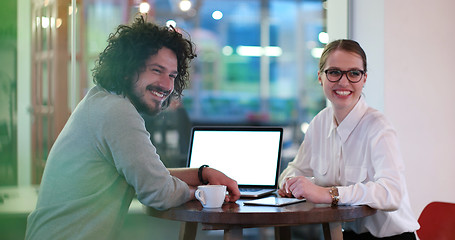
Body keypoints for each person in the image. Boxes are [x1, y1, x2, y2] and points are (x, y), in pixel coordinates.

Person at [25, 17, 240, 240]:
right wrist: (206, 193)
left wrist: (201, 174)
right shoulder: (116, 111)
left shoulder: (101, 99)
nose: (167, 85)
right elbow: (159, 192)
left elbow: (148, 175)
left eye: (172, 76)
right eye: (157, 70)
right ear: (127, 69)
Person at [278, 39, 419, 239]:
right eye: (334, 72)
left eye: (354, 73)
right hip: (345, 234)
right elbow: (295, 170)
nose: (344, 82)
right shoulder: (319, 123)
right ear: (320, 77)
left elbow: (392, 193)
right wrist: (291, 184)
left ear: (364, 78)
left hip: (391, 237)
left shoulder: (378, 126)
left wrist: (329, 194)